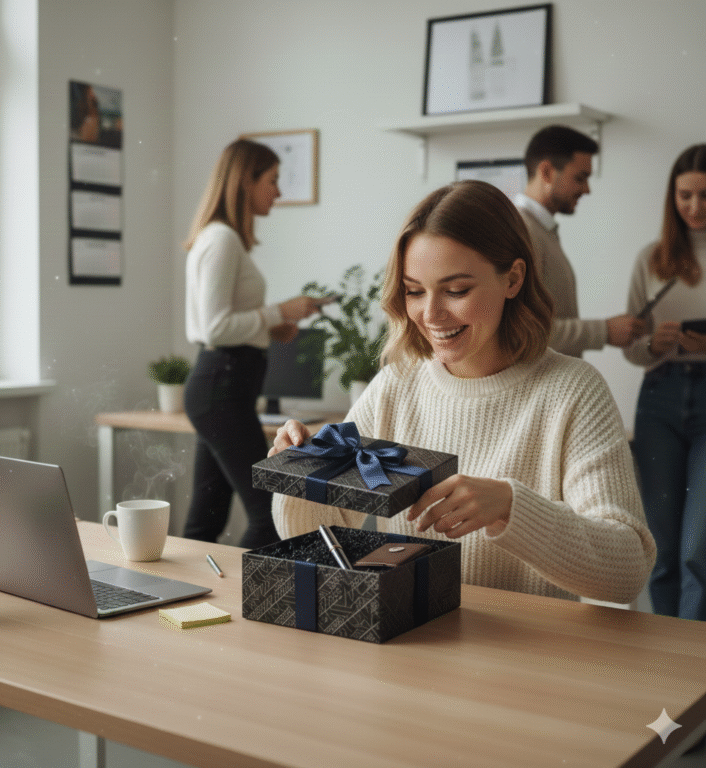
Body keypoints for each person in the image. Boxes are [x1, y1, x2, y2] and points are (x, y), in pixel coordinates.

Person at [270, 180, 655, 604]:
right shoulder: (396, 385)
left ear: (513, 278)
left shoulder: (574, 392)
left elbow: (628, 568)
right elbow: (313, 537)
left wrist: (511, 507)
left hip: (525, 662)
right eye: (415, 291)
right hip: (406, 645)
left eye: (456, 290)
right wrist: (300, 475)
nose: (431, 314)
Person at [183, 138, 321, 549]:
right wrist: (280, 312)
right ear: (246, 181)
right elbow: (215, 328)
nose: (278, 192)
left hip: (224, 387)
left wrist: (271, 329)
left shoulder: (224, 239)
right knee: (269, 515)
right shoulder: (222, 240)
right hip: (221, 387)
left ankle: (193, 599)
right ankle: (248, 604)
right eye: (273, 180)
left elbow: (225, 324)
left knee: (205, 520)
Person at [624, 144, 706, 621]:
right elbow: (632, 349)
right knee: (661, 545)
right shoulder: (652, 260)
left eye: (704, 195)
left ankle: (694, 670)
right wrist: (656, 345)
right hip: (659, 397)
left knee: (699, 548)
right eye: (685, 195)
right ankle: (665, 666)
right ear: (671, 196)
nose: (695, 207)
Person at [515, 125, 644, 357]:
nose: (587, 190)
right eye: (580, 178)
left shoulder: (539, 229)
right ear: (546, 172)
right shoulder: (523, 231)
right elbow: (523, 330)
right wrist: (604, 331)